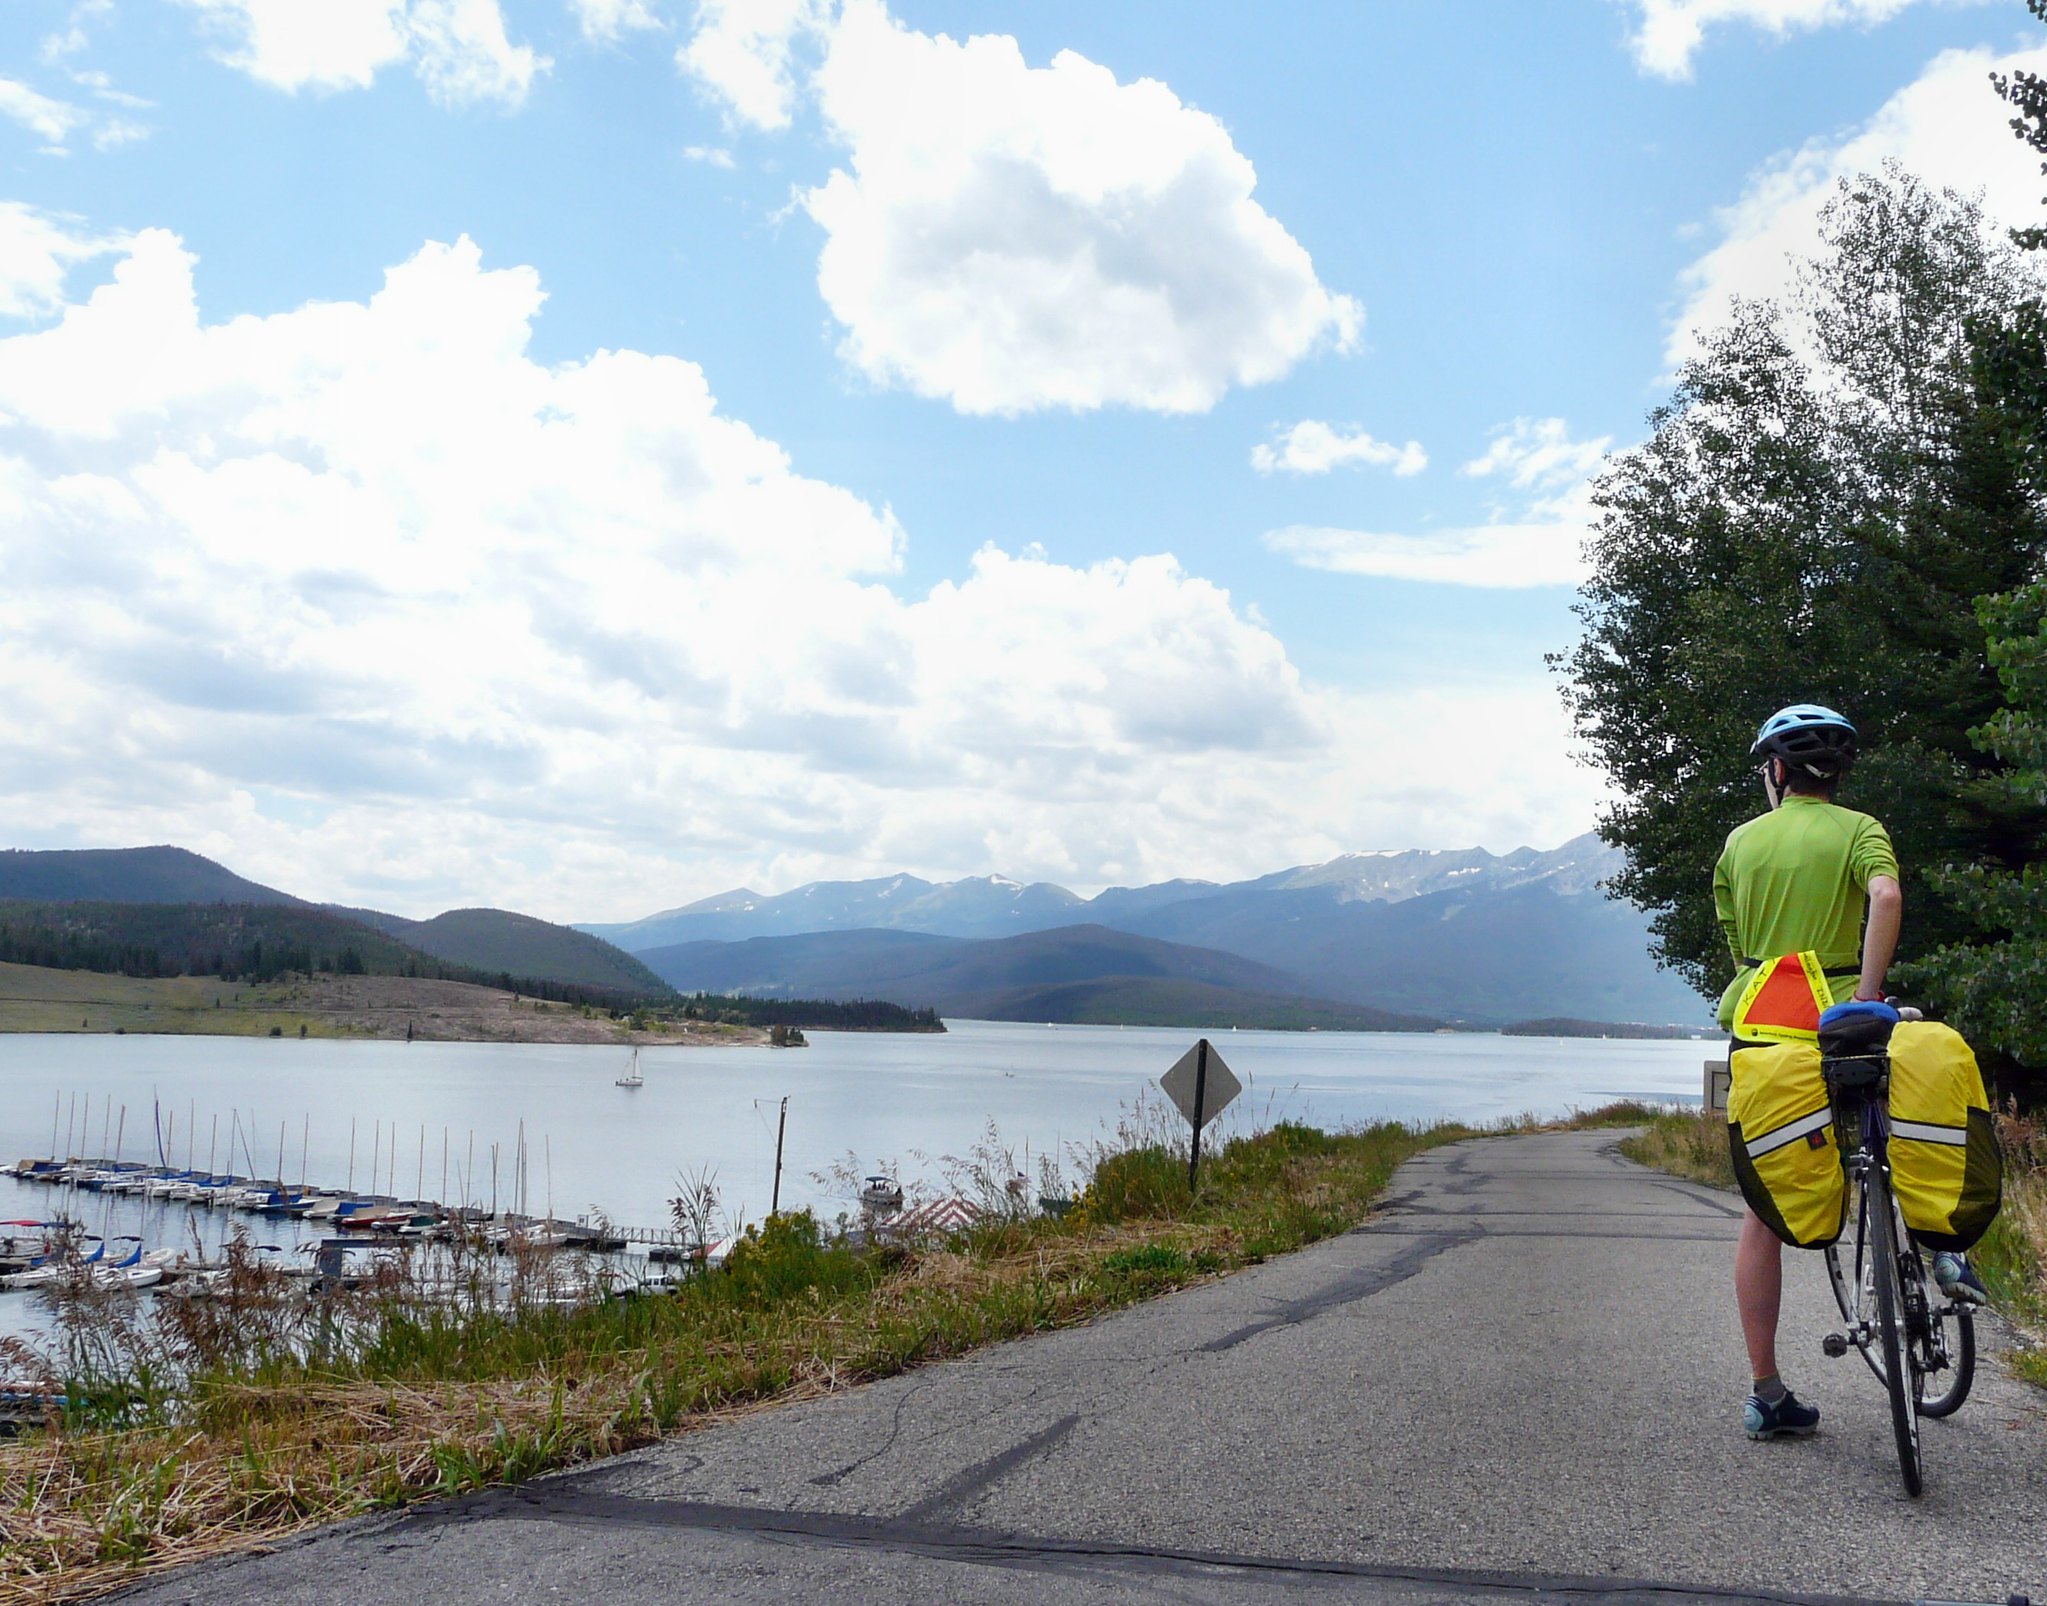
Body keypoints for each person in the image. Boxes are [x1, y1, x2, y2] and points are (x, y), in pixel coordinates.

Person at [1712, 704, 1915, 1439]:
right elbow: (1885, 897)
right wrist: (1865, 996)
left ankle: (1765, 1392)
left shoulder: (1739, 844)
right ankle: (1943, 1260)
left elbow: (1740, 948)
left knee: (1762, 1207)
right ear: (1836, 775)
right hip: (1843, 1027)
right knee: (1894, 1140)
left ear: (1775, 771)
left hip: (1763, 1029)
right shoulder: (1859, 829)